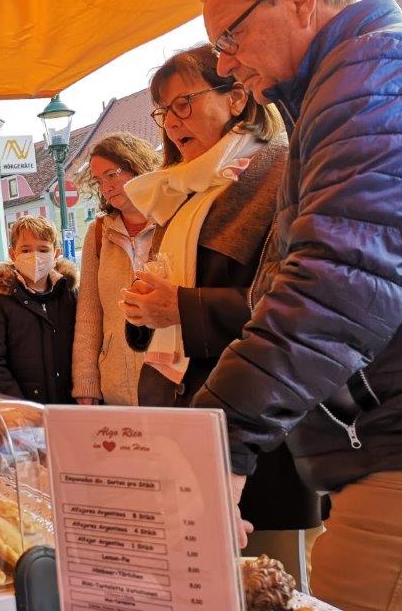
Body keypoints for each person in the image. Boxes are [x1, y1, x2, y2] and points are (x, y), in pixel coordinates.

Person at [193, 0, 402, 610]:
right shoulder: (347, 90)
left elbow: (337, 281)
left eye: (229, 38)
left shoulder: (372, 83)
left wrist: (218, 444)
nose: (226, 66)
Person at [120, 44, 319, 576]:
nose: (170, 122)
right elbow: (171, 300)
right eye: (163, 111)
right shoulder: (181, 191)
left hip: (258, 423)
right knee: (195, 579)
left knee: (270, 581)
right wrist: (143, 311)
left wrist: (180, 308)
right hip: (181, 411)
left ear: (236, 99)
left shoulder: (279, 174)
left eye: (183, 103)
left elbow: (291, 308)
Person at [71, 133, 160, 406]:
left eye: (112, 174)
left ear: (138, 166)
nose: (106, 187)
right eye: (99, 181)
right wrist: (85, 384)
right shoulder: (99, 232)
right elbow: (89, 312)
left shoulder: (172, 221)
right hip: (116, 382)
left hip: (170, 377)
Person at [0, 216, 77, 403]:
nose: (35, 256)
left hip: (68, 406)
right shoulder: (0, 299)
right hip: (23, 409)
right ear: (13, 254)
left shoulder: (69, 295)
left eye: (43, 249)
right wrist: (18, 405)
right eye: (25, 249)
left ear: (56, 254)